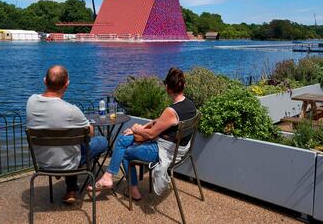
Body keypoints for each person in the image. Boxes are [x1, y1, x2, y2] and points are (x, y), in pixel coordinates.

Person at [89, 67, 196, 200]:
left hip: (166, 152)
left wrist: (135, 129)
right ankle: (108, 177)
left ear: (167, 88)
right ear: (183, 85)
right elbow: (158, 121)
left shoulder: (171, 111)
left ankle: (132, 189)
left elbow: (151, 135)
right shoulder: (190, 104)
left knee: (126, 153)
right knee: (123, 139)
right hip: (176, 148)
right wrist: (141, 128)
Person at [26, 65, 108, 204]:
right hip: (67, 162)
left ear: (45, 81)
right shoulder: (72, 111)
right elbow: (90, 134)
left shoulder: (31, 102)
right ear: (67, 84)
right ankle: (73, 185)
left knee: (70, 146)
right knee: (102, 141)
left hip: (43, 162)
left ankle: (71, 190)